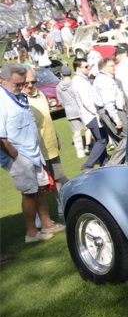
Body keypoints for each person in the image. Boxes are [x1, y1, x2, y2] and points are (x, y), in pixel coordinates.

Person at [0, 63, 65, 243]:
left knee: (39, 189)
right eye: (17, 84)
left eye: (23, 83)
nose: (22, 88)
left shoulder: (19, 95)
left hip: (32, 152)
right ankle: (31, 233)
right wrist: (16, 157)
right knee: (29, 192)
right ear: (2, 80)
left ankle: (47, 224)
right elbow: (1, 136)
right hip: (17, 155)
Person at [21, 66, 68, 216]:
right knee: (37, 184)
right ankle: (39, 216)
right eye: (25, 82)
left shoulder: (39, 93)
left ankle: (61, 204)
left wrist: (56, 137)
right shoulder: (19, 99)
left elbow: (47, 118)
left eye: (32, 81)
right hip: (34, 149)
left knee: (57, 177)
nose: (29, 85)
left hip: (50, 144)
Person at [72, 57, 109, 171]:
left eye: (89, 66)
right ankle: (88, 165)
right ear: (78, 68)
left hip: (90, 115)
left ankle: (105, 163)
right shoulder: (79, 81)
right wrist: (97, 112)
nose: (89, 69)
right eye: (86, 67)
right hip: (91, 115)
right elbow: (86, 101)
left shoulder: (83, 79)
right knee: (102, 140)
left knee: (101, 139)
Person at [55, 65, 85, 159]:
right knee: (87, 128)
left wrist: (66, 106)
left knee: (76, 130)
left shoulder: (58, 87)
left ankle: (80, 151)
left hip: (69, 110)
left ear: (61, 74)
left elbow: (61, 101)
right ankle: (88, 145)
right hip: (80, 108)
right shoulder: (74, 83)